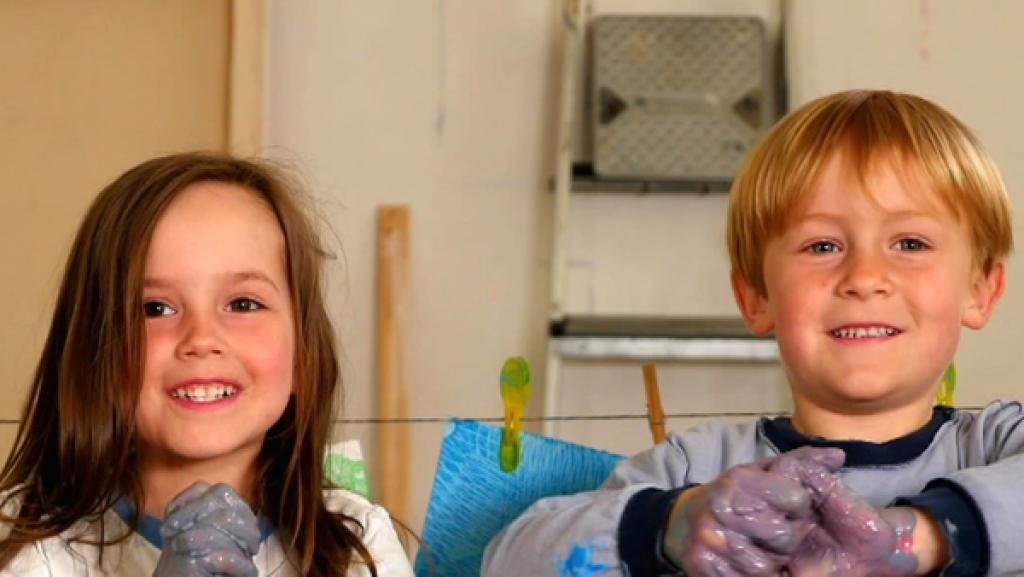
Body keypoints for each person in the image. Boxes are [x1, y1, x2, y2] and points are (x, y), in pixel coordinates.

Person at [482, 90, 1023, 576]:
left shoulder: (997, 446)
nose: (864, 278)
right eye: (822, 246)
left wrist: (920, 538)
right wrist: (668, 529)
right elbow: (508, 560)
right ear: (756, 297)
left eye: (910, 244)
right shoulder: (696, 468)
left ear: (980, 290)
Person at [0, 153, 415, 577]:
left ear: (304, 359)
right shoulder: (22, 546)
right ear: (93, 355)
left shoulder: (356, 547)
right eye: (155, 308)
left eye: (243, 304)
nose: (201, 339)